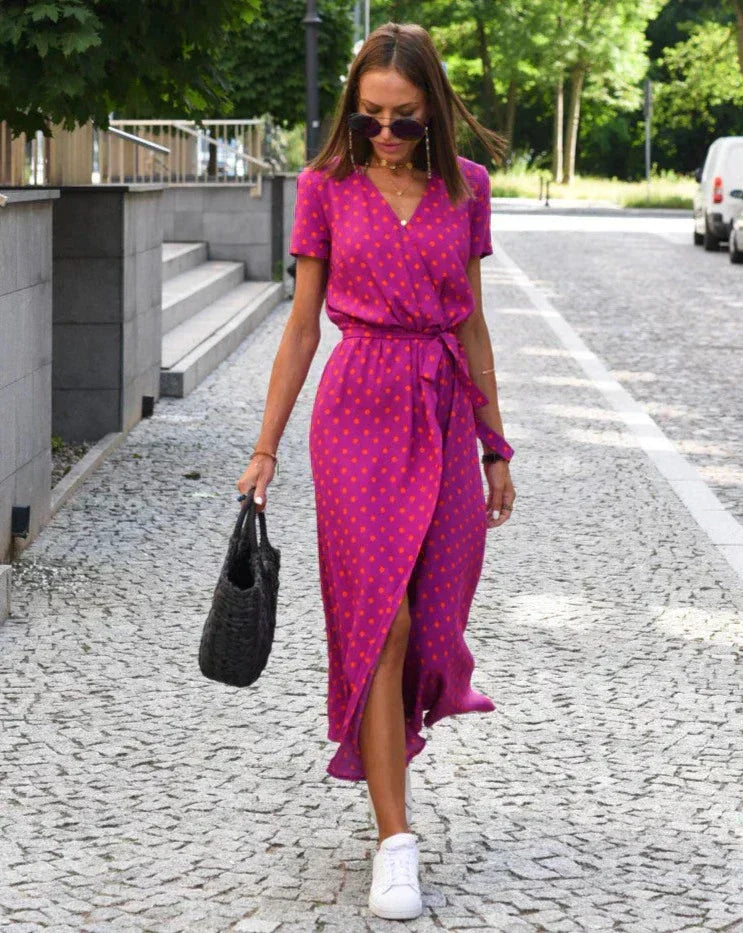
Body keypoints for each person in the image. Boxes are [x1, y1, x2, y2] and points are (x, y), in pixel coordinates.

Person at [236, 20, 517, 921]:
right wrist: (265, 447)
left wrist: (495, 444)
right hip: (355, 408)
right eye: (368, 119)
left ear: (432, 110)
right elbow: (300, 326)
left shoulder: (466, 187)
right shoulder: (324, 186)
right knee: (380, 622)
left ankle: (396, 755)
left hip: (442, 408)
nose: (385, 135)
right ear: (349, 116)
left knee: (433, 626)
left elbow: (472, 323)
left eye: (402, 119)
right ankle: (396, 840)